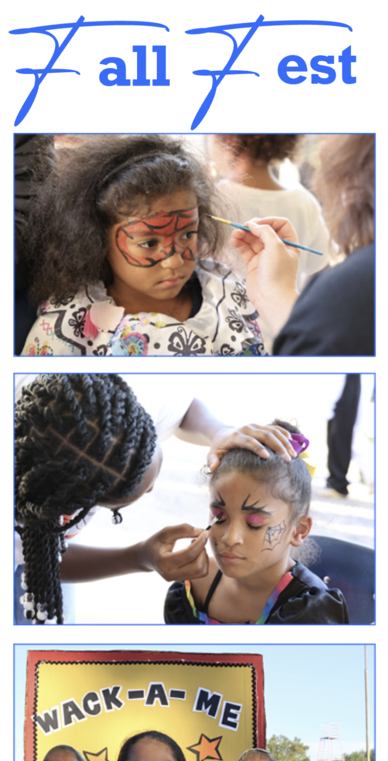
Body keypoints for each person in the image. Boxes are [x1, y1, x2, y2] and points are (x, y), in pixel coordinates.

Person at [15, 373, 296, 623]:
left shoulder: (119, 397)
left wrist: (217, 431)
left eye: (255, 522)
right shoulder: (24, 498)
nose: (152, 490)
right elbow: (38, 557)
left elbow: (182, 407)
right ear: (70, 504)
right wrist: (140, 557)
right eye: (219, 515)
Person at [22, 134, 264, 355]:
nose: (175, 261)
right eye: (149, 243)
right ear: (97, 238)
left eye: (187, 235)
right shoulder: (68, 328)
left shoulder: (226, 289)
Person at [164, 426, 348, 624]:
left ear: (299, 530)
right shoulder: (195, 585)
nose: (230, 538)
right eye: (219, 517)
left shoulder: (309, 612)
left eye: (254, 524)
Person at [230, 134, 374, 355]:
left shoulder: (355, 285)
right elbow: (322, 266)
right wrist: (274, 293)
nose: (323, 147)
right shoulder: (305, 200)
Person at [212, 134, 330, 288]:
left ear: (227, 138)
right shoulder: (305, 202)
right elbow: (321, 269)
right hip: (286, 310)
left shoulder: (212, 199)